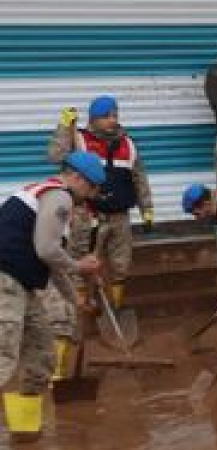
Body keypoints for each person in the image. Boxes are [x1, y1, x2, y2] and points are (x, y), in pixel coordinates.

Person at [0, 153, 104, 440]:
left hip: (20, 282)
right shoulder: (60, 197)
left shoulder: (48, 196)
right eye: (93, 187)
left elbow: (52, 264)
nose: (93, 195)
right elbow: (47, 250)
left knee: (42, 353)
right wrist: (79, 265)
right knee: (4, 356)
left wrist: (76, 299)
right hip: (5, 278)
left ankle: (25, 433)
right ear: (78, 179)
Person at [47, 96, 150, 309]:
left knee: (120, 266)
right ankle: (80, 314)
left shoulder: (128, 144)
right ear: (93, 119)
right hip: (87, 213)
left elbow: (139, 177)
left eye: (115, 115)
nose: (112, 120)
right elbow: (56, 156)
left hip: (119, 215)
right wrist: (64, 127)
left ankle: (113, 311)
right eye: (106, 116)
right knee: (80, 263)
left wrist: (147, 208)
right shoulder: (80, 140)